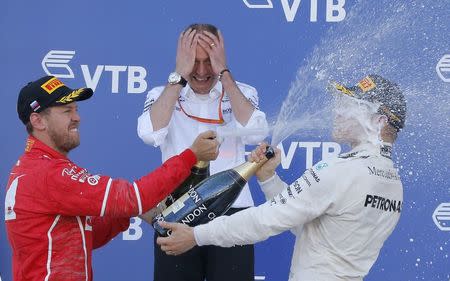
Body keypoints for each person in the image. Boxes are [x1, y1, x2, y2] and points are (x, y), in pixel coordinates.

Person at [156, 74, 407, 281]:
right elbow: (313, 233)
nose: (338, 112)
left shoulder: (342, 171)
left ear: (378, 121)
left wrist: (196, 235)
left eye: (352, 107)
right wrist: (268, 179)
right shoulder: (392, 183)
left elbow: (265, 221)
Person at [4, 75, 219, 281]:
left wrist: (126, 213)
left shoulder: (35, 167)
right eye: (67, 110)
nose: (77, 117)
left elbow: (85, 237)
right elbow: (132, 197)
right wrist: (191, 156)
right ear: (38, 121)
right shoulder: (47, 173)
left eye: (76, 109)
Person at [137, 23, 268, 281]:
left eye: (208, 61)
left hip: (233, 212)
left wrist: (225, 74)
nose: (200, 71)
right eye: (193, 61)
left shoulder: (243, 91)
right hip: (178, 213)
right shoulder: (162, 94)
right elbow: (149, 134)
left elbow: (256, 132)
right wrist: (178, 74)